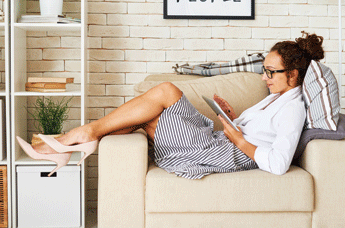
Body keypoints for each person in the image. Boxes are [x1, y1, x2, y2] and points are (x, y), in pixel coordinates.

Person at [17, 31, 325, 179]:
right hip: (220, 139)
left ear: (294, 74)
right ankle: (76, 140)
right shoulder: (277, 98)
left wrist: (240, 139)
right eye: (265, 70)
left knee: (163, 96)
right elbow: (256, 129)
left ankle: (77, 138)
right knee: (150, 115)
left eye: (271, 72)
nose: (264, 78)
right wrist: (232, 118)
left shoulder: (294, 108)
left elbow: (279, 162)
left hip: (225, 152)